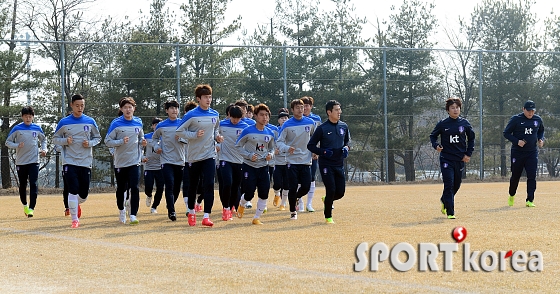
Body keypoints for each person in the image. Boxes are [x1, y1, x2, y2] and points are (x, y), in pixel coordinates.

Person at [176, 84, 223, 227]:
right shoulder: (191, 115)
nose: (208, 100)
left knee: (209, 184)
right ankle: (191, 212)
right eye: (205, 97)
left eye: (210, 97)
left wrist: (218, 138)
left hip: (209, 155)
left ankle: (206, 216)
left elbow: (215, 131)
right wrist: (194, 135)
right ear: (198, 99)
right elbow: (179, 132)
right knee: (193, 186)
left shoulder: (214, 114)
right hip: (193, 156)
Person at [53, 94, 101, 228]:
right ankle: (75, 220)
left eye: (82, 106)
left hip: (85, 161)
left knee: (84, 195)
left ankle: (74, 204)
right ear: (71, 105)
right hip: (69, 161)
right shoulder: (64, 122)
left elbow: (98, 138)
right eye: (77, 105)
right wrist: (65, 141)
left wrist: (90, 143)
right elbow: (55, 139)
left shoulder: (90, 121)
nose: (80, 108)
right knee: (73, 189)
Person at [429, 98, 475, 219]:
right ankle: (451, 212)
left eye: (457, 107)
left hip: (460, 159)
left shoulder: (465, 123)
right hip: (446, 159)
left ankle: (445, 200)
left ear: (460, 109)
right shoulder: (443, 124)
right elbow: (433, 136)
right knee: (448, 183)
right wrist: (436, 146)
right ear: (448, 110)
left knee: (457, 184)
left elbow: (471, 139)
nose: (455, 110)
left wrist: (468, 154)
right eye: (452, 108)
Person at [105, 97, 146, 225]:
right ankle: (122, 210)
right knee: (121, 189)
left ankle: (133, 214)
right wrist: (121, 142)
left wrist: (143, 142)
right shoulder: (116, 124)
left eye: (130, 107)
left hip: (135, 161)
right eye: (125, 107)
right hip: (120, 162)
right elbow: (107, 141)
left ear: (134, 108)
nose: (128, 110)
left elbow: (141, 137)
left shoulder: (138, 122)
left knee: (134, 188)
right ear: (121, 109)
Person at [235, 103, 276, 225]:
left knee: (264, 192)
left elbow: (273, 149)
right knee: (249, 194)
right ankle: (241, 205)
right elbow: (238, 146)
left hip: (263, 166)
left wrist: (271, 155)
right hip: (249, 166)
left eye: (267, 115)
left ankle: (256, 217)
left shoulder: (270, 133)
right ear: (255, 116)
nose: (265, 118)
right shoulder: (247, 131)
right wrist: (248, 155)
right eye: (262, 115)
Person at [276, 99, 316, 220]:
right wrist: (287, 148)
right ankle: (293, 211)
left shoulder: (310, 123)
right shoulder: (287, 125)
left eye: (302, 107)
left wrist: (315, 150)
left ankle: (296, 198)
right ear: (292, 110)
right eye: (297, 107)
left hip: (306, 160)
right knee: (292, 186)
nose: (300, 110)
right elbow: (279, 142)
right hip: (291, 161)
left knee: (306, 186)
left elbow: (315, 138)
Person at [5, 106, 48, 218]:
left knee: (34, 184)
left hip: (34, 161)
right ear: (22, 117)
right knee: (23, 185)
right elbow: (7, 142)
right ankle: (25, 205)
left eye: (30, 116)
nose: (28, 119)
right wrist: (17, 145)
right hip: (21, 162)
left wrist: (44, 149)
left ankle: (31, 208)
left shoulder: (37, 128)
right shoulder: (17, 129)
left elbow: (44, 139)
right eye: (26, 116)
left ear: (33, 117)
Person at [503, 100, 545, 207]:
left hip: (532, 152)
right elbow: (506, 133)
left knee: (532, 176)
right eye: (528, 111)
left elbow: (541, 131)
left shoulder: (538, 119)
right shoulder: (516, 119)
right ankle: (512, 195)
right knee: (515, 176)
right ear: (523, 109)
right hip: (518, 153)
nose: (530, 113)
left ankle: (530, 200)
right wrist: (517, 141)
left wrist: (540, 139)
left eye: (532, 111)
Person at [152, 100, 185, 222]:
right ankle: (171, 211)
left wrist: (182, 138)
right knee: (169, 185)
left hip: (180, 160)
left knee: (177, 187)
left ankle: (170, 204)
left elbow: (190, 138)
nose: (174, 110)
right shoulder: (161, 125)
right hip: (166, 160)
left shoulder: (183, 123)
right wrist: (156, 148)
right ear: (167, 110)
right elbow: (154, 139)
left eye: (176, 108)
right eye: (171, 108)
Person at [218, 105, 249, 221]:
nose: (235, 120)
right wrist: (217, 142)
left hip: (239, 161)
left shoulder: (245, 127)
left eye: (238, 118)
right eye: (233, 117)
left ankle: (231, 207)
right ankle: (225, 208)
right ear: (229, 115)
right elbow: (213, 135)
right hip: (225, 159)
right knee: (227, 183)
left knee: (236, 187)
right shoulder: (222, 125)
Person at [301, 96, 322, 212]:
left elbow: (319, 135)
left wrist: (317, 150)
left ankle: (309, 204)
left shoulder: (316, 119)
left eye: (307, 105)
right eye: (302, 106)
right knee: (299, 178)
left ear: (311, 106)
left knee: (312, 177)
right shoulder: (296, 119)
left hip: (312, 152)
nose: (304, 108)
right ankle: (300, 203)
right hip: (299, 153)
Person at [180, 101, 199, 214]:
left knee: (200, 184)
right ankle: (189, 207)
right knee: (187, 183)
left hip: (200, 158)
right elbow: (180, 137)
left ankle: (196, 202)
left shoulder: (200, 124)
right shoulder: (183, 126)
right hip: (186, 160)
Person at [142, 117, 164, 214]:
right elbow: (139, 148)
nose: (157, 126)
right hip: (149, 166)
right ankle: (149, 195)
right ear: (152, 126)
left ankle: (154, 207)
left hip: (161, 166)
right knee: (148, 187)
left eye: (159, 124)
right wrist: (143, 157)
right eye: (155, 124)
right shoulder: (146, 137)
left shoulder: (165, 137)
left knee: (160, 188)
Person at [273, 110, 290, 210]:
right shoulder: (275, 130)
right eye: (282, 118)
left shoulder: (290, 129)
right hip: (277, 161)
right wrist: (273, 150)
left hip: (288, 160)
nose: (284, 120)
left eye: (286, 118)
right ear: (278, 120)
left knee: (286, 184)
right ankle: (276, 194)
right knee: (277, 183)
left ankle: (283, 204)